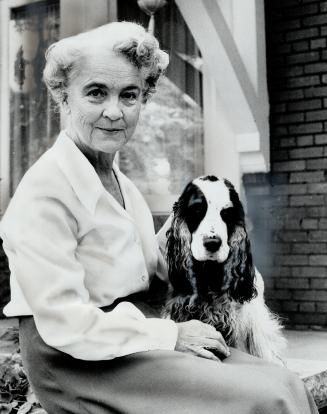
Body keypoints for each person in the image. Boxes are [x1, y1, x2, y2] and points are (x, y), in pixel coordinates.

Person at [0, 21, 318, 414]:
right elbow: (66, 324)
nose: (114, 111)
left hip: (134, 335)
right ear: (65, 97)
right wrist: (170, 334)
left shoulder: (121, 185)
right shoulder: (45, 192)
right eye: (96, 92)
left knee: (283, 381)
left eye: (129, 95)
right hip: (77, 362)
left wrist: (235, 266)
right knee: (266, 398)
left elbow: (155, 270)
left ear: (143, 100)